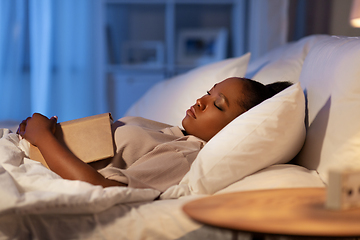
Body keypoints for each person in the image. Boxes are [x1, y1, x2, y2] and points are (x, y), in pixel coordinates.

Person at [17, 77, 292, 192]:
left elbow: (103, 190)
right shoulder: (169, 132)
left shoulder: (184, 155)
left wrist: (44, 139)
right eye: (209, 92)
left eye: (217, 105)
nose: (201, 101)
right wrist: (39, 134)